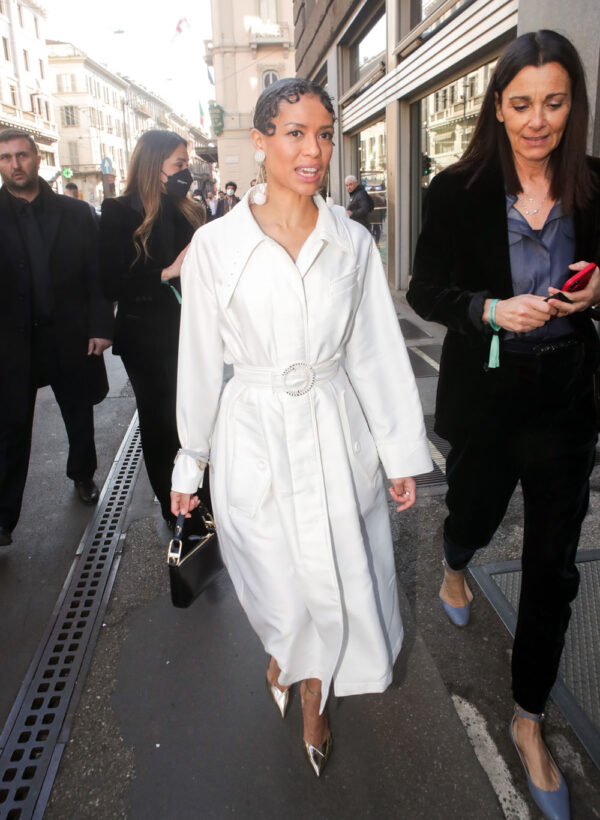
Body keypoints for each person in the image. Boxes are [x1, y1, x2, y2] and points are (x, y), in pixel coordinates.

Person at [171, 78, 432, 776]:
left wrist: (399, 450)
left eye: (323, 132)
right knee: (281, 589)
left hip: (332, 424)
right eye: (294, 132)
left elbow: (374, 349)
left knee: (338, 581)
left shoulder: (351, 240)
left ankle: (314, 698)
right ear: (259, 142)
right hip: (252, 434)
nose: (312, 149)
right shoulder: (216, 246)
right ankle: (290, 657)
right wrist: (189, 461)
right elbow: (198, 357)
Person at [407, 30, 600, 820]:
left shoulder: (593, 185)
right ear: (498, 105)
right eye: (522, 103)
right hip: (488, 391)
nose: (537, 120)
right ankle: (456, 560)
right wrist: (486, 309)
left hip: (564, 397)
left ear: (572, 106)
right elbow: (425, 289)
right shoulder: (456, 188)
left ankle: (528, 721)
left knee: (554, 566)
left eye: (554, 102)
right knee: (477, 513)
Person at [0, 130, 114, 546]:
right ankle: (3, 517)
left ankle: (83, 474)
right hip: (12, 342)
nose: (15, 165)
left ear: (37, 158)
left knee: (78, 413)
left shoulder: (76, 213)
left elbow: (98, 275)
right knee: (10, 427)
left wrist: (102, 326)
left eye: (23, 156)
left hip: (69, 334)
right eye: (6, 158)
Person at [99, 130, 207, 527]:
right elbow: (110, 282)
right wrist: (166, 272)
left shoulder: (190, 210)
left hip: (193, 332)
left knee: (197, 419)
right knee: (162, 423)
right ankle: (176, 508)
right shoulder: (119, 212)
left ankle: (201, 497)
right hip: (146, 337)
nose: (186, 173)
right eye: (179, 165)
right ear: (153, 165)